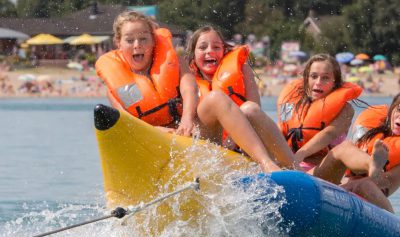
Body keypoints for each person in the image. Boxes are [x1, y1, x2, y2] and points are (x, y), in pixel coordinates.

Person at [96, 11, 283, 172]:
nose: (137, 44)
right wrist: (156, 130)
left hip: (191, 135)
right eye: (130, 40)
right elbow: (127, 124)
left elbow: (190, 89)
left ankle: (266, 163)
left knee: (216, 98)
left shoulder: (173, 61)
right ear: (118, 43)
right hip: (152, 143)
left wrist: (186, 120)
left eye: (143, 38)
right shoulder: (115, 85)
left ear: (153, 41)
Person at [186, 26, 294, 169]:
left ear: (224, 51)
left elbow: (255, 110)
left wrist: (233, 140)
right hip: (209, 141)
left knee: (250, 109)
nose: (210, 51)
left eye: (216, 47)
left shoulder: (242, 69)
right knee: (216, 98)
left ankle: (294, 169)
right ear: (193, 54)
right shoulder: (187, 79)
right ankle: (266, 163)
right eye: (202, 47)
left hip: (243, 142)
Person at [312, 95, 400, 212]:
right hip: (341, 181)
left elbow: (384, 181)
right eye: (399, 109)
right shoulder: (374, 125)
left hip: (369, 192)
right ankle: (371, 163)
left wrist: (343, 188)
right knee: (344, 147)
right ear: (392, 108)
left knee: (365, 186)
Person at [277, 53, 363, 171]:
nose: (318, 82)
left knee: (346, 147)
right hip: (289, 163)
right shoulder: (290, 101)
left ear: (335, 82)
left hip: (322, 170)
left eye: (325, 78)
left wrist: (300, 154)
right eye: (314, 76)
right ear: (306, 78)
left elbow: (329, 134)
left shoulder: (346, 110)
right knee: (254, 113)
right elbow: (281, 127)